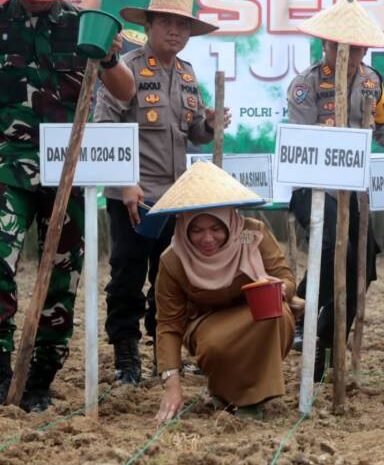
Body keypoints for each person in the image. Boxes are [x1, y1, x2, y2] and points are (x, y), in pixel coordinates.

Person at [0, 0, 134, 412]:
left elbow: (125, 91)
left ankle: (39, 381)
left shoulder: (86, 24)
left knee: (63, 279)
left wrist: (109, 57)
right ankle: (2, 376)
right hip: (8, 167)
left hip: (69, 168)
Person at [94, 0, 229, 385]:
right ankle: (125, 356)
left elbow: (194, 135)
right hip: (134, 195)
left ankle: (162, 352)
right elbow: (106, 127)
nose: (176, 32)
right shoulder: (127, 69)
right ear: (149, 25)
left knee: (168, 280)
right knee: (127, 276)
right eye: (167, 23)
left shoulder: (187, 75)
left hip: (176, 197)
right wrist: (125, 182)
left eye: (183, 27)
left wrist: (209, 123)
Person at [287, 0, 384, 380]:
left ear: (365, 48)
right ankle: (302, 319)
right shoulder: (305, 85)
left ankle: (324, 333)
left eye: (355, 47)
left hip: (355, 191)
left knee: (364, 264)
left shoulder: (373, 81)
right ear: (325, 44)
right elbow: (299, 139)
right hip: (316, 188)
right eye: (339, 45)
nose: (348, 53)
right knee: (331, 250)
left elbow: (383, 129)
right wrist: (323, 138)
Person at [152, 161, 295, 423]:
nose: (207, 239)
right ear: (184, 228)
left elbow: (286, 277)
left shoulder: (253, 234)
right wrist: (172, 385)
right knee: (216, 344)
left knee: (277, 315)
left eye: (216, 228)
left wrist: (279, 289)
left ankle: (254, 399)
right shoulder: (173, 260)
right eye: (197, 230)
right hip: (207, 325)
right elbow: (168, 325)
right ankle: (224, 389)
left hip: (258, 312)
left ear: (230, 222)